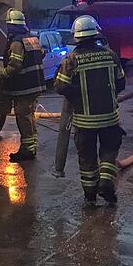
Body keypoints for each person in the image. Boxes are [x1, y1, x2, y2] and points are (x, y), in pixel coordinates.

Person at [54, 15, 126, 206]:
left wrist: (78, 97)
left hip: (84, 121)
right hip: (110, 118)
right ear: (96, 33)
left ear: (76, 36)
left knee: (87, 159)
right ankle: (105, 182)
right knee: (109, 150)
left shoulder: (72, 59)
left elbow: (60, 86)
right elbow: (121, 83)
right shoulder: (110, 55)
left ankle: (90, 197)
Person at [0, 8, 47, 162]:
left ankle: (27, 150)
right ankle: (31, 147)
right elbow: (41, 54)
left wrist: (0, 74)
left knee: (23, 117)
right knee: (29, 116)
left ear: (11, 26)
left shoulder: (16, 43)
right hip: (35, 85)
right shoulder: (32, 38)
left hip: (24, 87)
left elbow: (15, 65)